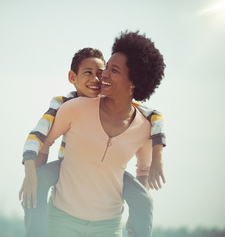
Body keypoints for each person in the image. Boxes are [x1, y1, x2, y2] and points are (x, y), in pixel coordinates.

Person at [20, 34, 165, 237]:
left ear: (134, 81)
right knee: (41, 177)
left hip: (109, 227)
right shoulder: (73, 107)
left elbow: (144, 170)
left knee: (145, 199)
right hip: (61, 219)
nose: (102, 76)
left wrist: (137, 211)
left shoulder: (144, 126)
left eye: (112, 70)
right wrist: (33, 178)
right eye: (107, 68)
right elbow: (43, 142)